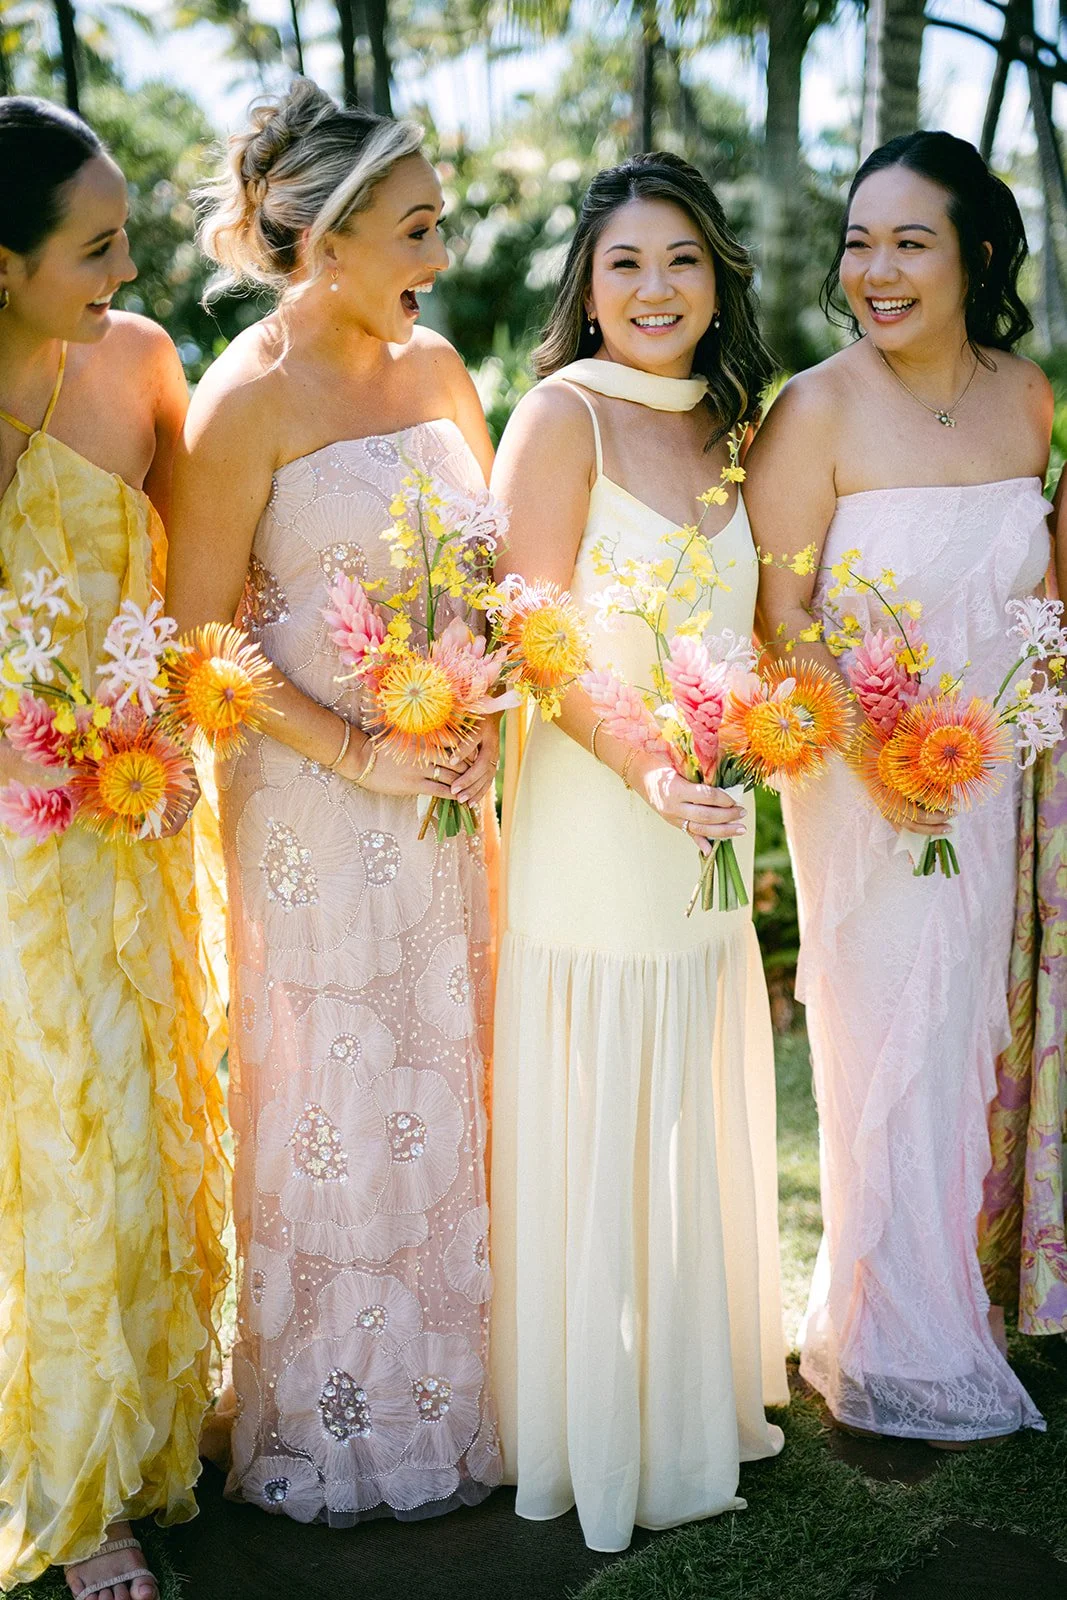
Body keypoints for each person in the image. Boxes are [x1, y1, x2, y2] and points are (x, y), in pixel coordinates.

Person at [167, 78, 501, 1525]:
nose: (441, 249)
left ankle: (471, 1390)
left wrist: (483, 700)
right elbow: (197, 647)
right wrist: (354, 749)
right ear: (325, 238)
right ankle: (340, 1414)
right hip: (309, 804)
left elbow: (490, 569)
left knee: (453, 1078)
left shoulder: (437, 372)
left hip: (441, 792)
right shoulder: (241, 398)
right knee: (337, 1093)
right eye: (417, 225)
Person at [489, 152, 788, 1555]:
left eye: (680, 260)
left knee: (685, 1093)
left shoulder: (739, 428)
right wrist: (651, 770)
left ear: (718, 274)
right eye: (625, 263)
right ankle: (596, 1429)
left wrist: (750, 753)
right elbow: (536, 638)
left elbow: (761, 639)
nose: (655, 288)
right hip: (598, 816)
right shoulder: (561, 418)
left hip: (702, 826)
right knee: (607, 1091)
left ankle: (695, 1399)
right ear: (587, 286)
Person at [746, 130, 1053, 1443]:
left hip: (991, 774)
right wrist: (873, 756)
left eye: (906, 240)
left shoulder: (1025, 395)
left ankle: (947, 1299)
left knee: (967, 1028)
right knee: (886, 1032)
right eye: (858, 240)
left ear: (975, 252)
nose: (872, 268)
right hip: (859, 778)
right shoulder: (813, 408)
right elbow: (780, 618)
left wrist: (1007, 719)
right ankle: (881, 1336)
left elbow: (1037, 594)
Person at [0, 97, 228, 1598]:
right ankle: (85, 1496)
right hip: (21, 847)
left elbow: (207, 569)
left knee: (157, 1126)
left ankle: (161, 1414)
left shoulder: (145, 362)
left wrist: (174, 729)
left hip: (148, 822)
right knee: (58, 1146)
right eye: (94, 247)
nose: (127, 266)